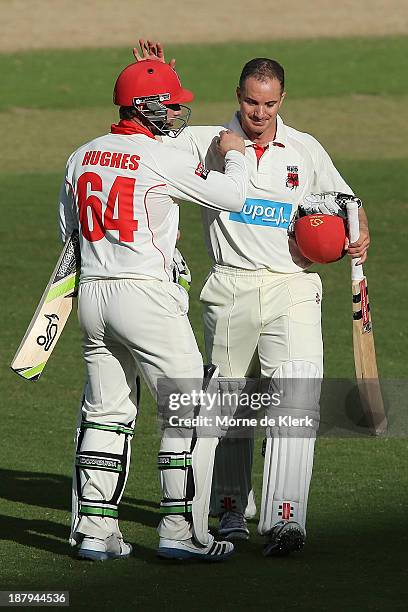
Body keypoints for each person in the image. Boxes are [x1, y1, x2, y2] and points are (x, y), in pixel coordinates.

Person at [133, 41, 370, 555]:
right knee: (229, 408)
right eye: (251, 103)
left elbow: (345, 199)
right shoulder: (207, 142)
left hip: (293, 287)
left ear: (282, 100)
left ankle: (286, 519)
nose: (260, 114)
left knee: (296, 402)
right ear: (237, 96)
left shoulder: (305, 149)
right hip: (229, 285)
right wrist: (159, 83)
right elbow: (153, 132)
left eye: (270, 104)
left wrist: (359, 225)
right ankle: (230, 508)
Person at [59, 58, 250, 561]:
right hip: (146, 295)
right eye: (169, 105)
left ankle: (96, 532)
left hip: (94, 294)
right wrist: (234, 155)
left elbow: (70, 234)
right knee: (184, 412)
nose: (175, 113)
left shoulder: (81, 155)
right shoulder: (159, 156)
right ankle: (178, 531)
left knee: (106, 415)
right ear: (144, 106)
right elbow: (231, 197)